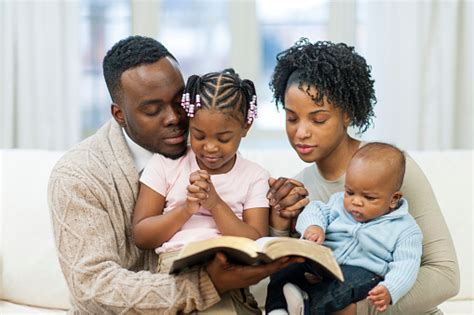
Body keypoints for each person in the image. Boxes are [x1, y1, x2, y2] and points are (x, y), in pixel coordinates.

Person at [48, 35, 304, 314]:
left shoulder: (212, 151)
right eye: (152, 110)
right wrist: (205, 285)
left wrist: (284, 221)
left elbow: (254, 244)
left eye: (179, 101)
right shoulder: (78, 175)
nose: (174, 118)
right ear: (119, 114)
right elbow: (93, 289)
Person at [267, 39, 459, 314]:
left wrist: (359, 309)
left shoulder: (390, 169)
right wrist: (279, 226)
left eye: (318, 119)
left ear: (347, 114)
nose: (301, 133)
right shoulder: (297, 189)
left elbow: (446, 276)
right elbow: (271, 291)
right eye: (292, 118)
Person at [132, 69, 271, 314]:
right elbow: (142, 235)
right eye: (198, 135)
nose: (210, 147)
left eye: (224, 138)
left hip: (227, 273)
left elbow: (256, 242)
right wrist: (186, 209)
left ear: (246, 127)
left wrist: (216, 204)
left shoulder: (255, 176)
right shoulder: (165, 164)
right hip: (174, 273)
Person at [266, 142, 423, 315]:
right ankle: (277, 310)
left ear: (394, 199)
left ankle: (307, 307)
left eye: (368, 197)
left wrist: (390, 288)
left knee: (343, 289)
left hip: (362, 272)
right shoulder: (338, 203)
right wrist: (314, 226)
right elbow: (315, 209)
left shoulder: (406, 229)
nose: (355, 201)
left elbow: (407, 265)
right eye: (350, 192)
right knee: (285, 271)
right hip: (325, 263)